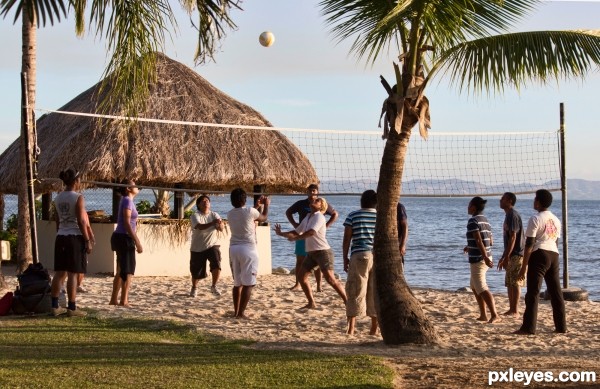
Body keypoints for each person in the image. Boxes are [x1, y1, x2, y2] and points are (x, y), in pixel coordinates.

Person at [275, 197, 347, 309]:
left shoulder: (319, 217)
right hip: (312, 254)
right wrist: (281, 233)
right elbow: (297, 231)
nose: (314, 200)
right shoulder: (308, 216)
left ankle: (347, 301)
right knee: (301, 277)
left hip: (323, 252)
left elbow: (311, 232)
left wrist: (296, 238)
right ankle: (311, 303)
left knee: (330, 279)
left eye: (318, 200)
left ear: (321, 206)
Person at [515, 189, 566, 335]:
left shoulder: (535, 218)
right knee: (556, 293)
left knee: (533, 292)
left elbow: (529, 244)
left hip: (539, 254)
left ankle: (528, 328)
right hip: (554, 254)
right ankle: (561, 327)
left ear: (538, 202)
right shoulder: (556, 220)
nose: (534, 201)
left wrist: (523, 267)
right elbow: (556, 241)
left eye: (535, 199)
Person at [49, 169, 92, 317]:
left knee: (60, 272)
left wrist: (60, 232)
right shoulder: (78, 197)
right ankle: (72, 307)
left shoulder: (58, 198)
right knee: (73, 273)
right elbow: (81, 221)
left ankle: (54, 305)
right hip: (74, 237)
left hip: (61, 236)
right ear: (75, 181)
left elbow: (57, 220)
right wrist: (87, 240)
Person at [285, 184, 338, 291]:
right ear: (307, 192)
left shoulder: (321, 204)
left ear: (317, 192)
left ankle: (319, 286)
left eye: (314, 191)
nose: (312, 193)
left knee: (317, 261)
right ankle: (297, 284)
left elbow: (335, 214)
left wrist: (327, 226)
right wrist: (295, 225)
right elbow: (288, 212)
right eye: (310, 191)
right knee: (300, 259)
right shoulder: (301, 203)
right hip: (302, 234)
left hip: (314, 235)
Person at [227, 188, 269, 319]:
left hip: (233, 248)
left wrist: (257, 206)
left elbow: (246, 214)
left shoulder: (230, 213)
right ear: (245, 199)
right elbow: (262, 218)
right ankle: (241, 313)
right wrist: (266, 205)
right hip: (248, 249)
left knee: (237, 284)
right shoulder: (250, 211)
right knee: (249, 284)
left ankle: (236, 312)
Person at [343, 190, 378, 335]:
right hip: (376, 255)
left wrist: (345, 257)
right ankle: (374, 327)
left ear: (361, 201)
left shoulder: (353, 215)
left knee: (355, 290)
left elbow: (347, 238)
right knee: (373, 291)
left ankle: (351, 328)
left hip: (359, 254)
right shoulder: (379, 217)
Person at [463, 196, 500, 323]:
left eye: (469, 205)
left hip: (479, 259)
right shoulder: (485, 221)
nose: (467, 207)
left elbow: (479, 240)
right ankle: (483, 314)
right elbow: (490, 241)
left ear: (473, 207)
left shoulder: (473, 221)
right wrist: (470, 245)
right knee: (474, 287)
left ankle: (495, 314)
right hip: (484, 256)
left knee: (482, 288)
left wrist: (484, 256)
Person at [110, 179, 143, 307]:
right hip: (124, 237)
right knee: (128, 271)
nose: (136, 186)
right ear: (128, 188)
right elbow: (127, 223)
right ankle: (124, 300)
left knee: (121, 269)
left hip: (121, 237)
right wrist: (137, 241)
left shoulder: (127, 201)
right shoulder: (127, 201)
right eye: (133, 185)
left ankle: (114, 299)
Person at [189, 195, 224, 297]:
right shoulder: (195, 216)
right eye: (203, 201)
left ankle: (214, 286)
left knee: (217, 263)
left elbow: (220, 228)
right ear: (198, 205)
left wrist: (219, 225)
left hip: (212, 245)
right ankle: (194, 288)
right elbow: (199, 226)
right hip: (197, 247)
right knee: (196, 271)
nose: (206, 203)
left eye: (207, 201)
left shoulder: (214, 214)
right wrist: (213, 223)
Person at [497, 192, 525, 316]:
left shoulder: (513, 215)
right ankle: (511, 308)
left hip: (517, 253)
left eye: (502, 199)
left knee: (515, 281)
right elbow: (509, 239)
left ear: (509, 201)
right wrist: (504, 256)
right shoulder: (508, 215)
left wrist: (507, 256)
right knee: (509, 282)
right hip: (511, 253)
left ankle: (515, 310)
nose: (500, 200)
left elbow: (513, 237)